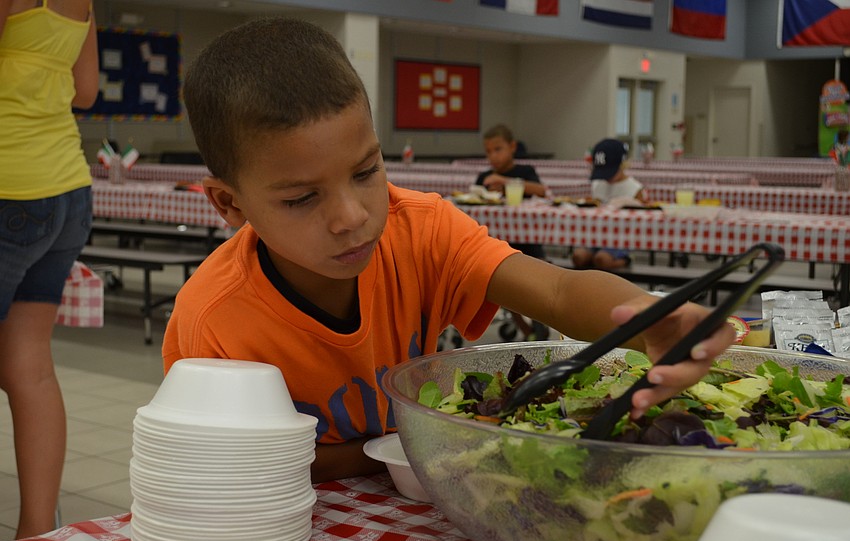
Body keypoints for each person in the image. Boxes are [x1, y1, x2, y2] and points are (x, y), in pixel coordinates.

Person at [164, 17, 734, 485]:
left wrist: (650, 319)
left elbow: (559, 291)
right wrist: (418, 441)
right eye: (301, 198)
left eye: (366, 171)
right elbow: (237, 465)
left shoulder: (420, 229)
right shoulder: (214, 320)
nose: (352, 216)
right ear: (229, 203)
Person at [0, 0, 98, 539]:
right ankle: (36, 537)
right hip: (67, 189)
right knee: (30, 368)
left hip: (9, 184)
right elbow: (85, 91)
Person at [476, 124, 549, 340]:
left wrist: (506, 182)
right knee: (500, 280)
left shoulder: (525, 172)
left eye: (498, 149)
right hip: (495, 245)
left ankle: (539, 323)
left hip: (528, 246)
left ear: (512, 147)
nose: (493, 156)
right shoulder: (485, 177)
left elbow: (541, 191)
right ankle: (526, 330)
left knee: (532, 281)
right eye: (488, 151)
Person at [572, 138, 646, 271]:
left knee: (602, 259)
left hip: (621, 238)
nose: (606, 177)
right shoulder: (597, 184)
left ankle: (626, 259)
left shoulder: (634, 188)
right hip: (596, 235)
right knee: (578, 257)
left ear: (622, 165)